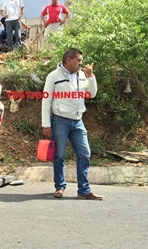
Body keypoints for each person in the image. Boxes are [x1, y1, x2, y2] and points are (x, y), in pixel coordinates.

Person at [41, 48, 103, 200]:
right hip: (59, 120)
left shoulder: (82, 75)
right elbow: (46, 100)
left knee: (84, 153)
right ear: (69, 60)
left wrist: (91, 76)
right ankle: (59, 187)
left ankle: (84, 190)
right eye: (79, 60)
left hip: (78, 121)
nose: (81, 63)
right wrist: (46, 124)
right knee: (59, 155)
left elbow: (92, 93)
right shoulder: (53, 76)